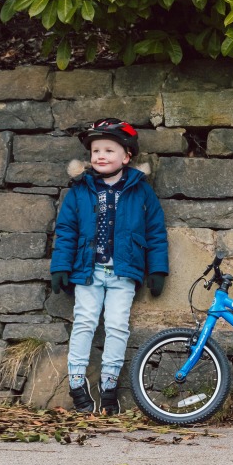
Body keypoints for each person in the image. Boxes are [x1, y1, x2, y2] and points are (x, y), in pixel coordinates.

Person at [49, 118, 169, 414]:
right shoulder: (80, 190)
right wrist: (60, 267)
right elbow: (66, 230)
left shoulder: (141, 191)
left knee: (117, 326)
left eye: (109, 150)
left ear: (127, 156)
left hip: (123, 273)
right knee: (85, 324)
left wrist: (157, 270)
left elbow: (155, 231)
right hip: (87, 273)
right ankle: (77, 385)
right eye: (96, 151)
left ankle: (109, 387)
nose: (100, 156)